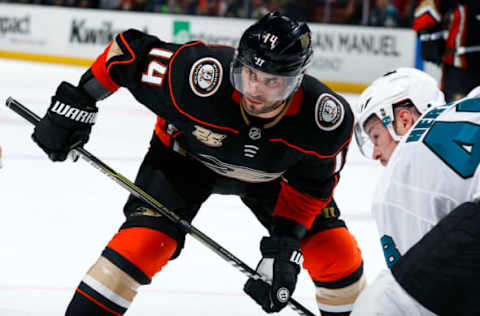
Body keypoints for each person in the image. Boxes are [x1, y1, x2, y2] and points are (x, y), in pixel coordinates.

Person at [31, 12, 365, 316]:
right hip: (184, 162)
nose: (256, 91)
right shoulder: (198, 75)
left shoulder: (325, 120)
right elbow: (128, 52)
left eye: (272, 81)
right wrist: (79, 101)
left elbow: (310, 188)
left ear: (297, 80)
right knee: (143, 243)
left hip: (275, 181)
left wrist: (286, 243)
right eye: (250, 73)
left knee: (335, 254)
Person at [351, 67, 480, 315]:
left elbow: (424, 290)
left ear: (404, 120)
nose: (376, 153)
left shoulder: (399, 174)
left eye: (376, 137)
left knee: (381, 302)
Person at [414, 0, 480, 102]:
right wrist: (430, 38)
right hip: (460, 65)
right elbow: (428, 8)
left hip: (461, 62)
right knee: (456, 110)